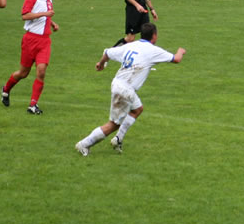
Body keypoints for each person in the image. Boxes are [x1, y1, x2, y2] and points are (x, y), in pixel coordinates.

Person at [75, 22, 186, 156]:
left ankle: (118, 139)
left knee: (137, 109)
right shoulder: (153, 50)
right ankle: (84, 144)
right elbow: (177, 59)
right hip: (125, 90)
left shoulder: (131, 45)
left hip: (118, 83)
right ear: (154, 36)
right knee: (113, 124)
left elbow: (107, 52)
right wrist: (181, 51)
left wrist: (101, 63)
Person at [0, 0, 59, 114]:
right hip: (30, 40)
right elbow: (25, 16)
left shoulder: (49, 0)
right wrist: (44, 13)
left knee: (41, 71)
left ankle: (33, 105)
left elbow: (44, 17)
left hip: (44, 41)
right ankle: (6, 89)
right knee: (23, 73)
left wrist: (52, 23)